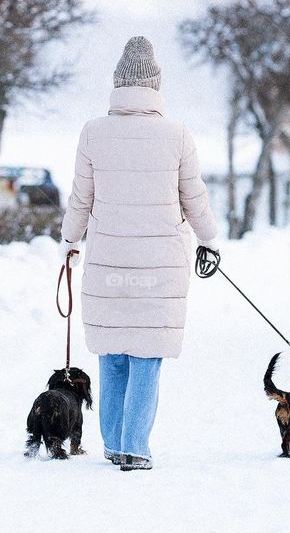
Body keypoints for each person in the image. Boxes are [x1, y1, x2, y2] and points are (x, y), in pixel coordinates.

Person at [59, 36, 219, 470]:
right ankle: (135, 447)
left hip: (108, 266)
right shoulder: (177, 135)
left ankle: (113, 445)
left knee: (111, 355)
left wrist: (69, 240)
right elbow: (194, 198)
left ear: (118, 84)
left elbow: (80, 198)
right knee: (146, 357)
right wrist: (210, 239)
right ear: (155, 86)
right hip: (160, 269)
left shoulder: (93, 133)